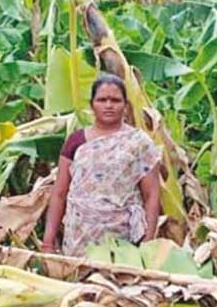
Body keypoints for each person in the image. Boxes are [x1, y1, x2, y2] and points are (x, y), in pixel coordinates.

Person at [42, 74, 162, 257]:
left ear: (125, 105)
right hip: (78, 235)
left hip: (122, 237)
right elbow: (59, 193)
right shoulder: (76, 141)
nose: (108, 105)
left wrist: (148, 244)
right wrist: (48, 242)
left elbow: (151, 195)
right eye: (102, 100)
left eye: (115, 100)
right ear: (92, 105)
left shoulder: (139, 143)